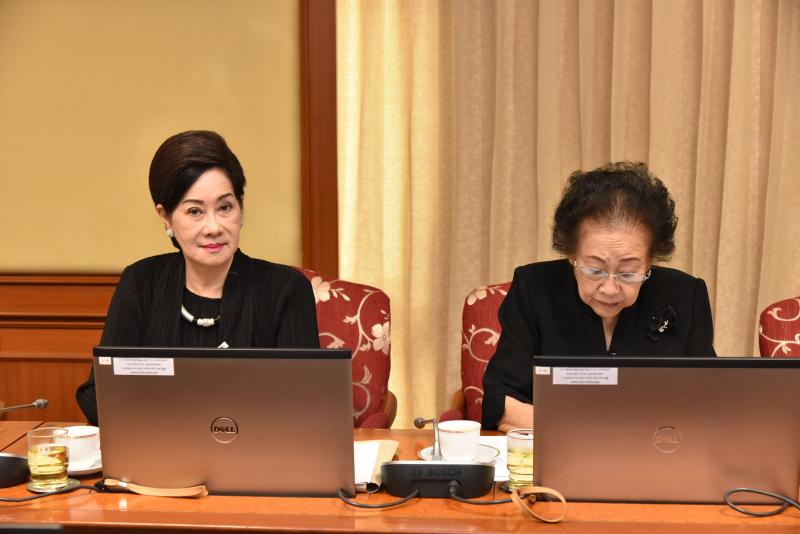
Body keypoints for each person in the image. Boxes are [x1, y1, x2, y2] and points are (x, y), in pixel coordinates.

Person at [76, 130, 319, 425]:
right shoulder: (141, 282)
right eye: (195, 211)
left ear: (241, 208)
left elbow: (305, 403)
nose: (213, 227)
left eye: (225, 207)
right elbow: (98, 395)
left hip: (258, 453)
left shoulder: (285, 290)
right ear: (166, 217)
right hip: (159, 452)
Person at [482, 161, 716, 431]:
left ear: (651, 260)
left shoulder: (685, 295)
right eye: (595, 270)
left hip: (655, 452)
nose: (609, 288)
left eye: (628, 273)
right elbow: (499, 403)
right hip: (559, 451)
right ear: (571, 254)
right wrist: (588, 430)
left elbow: (709, 401)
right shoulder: (535, 288)